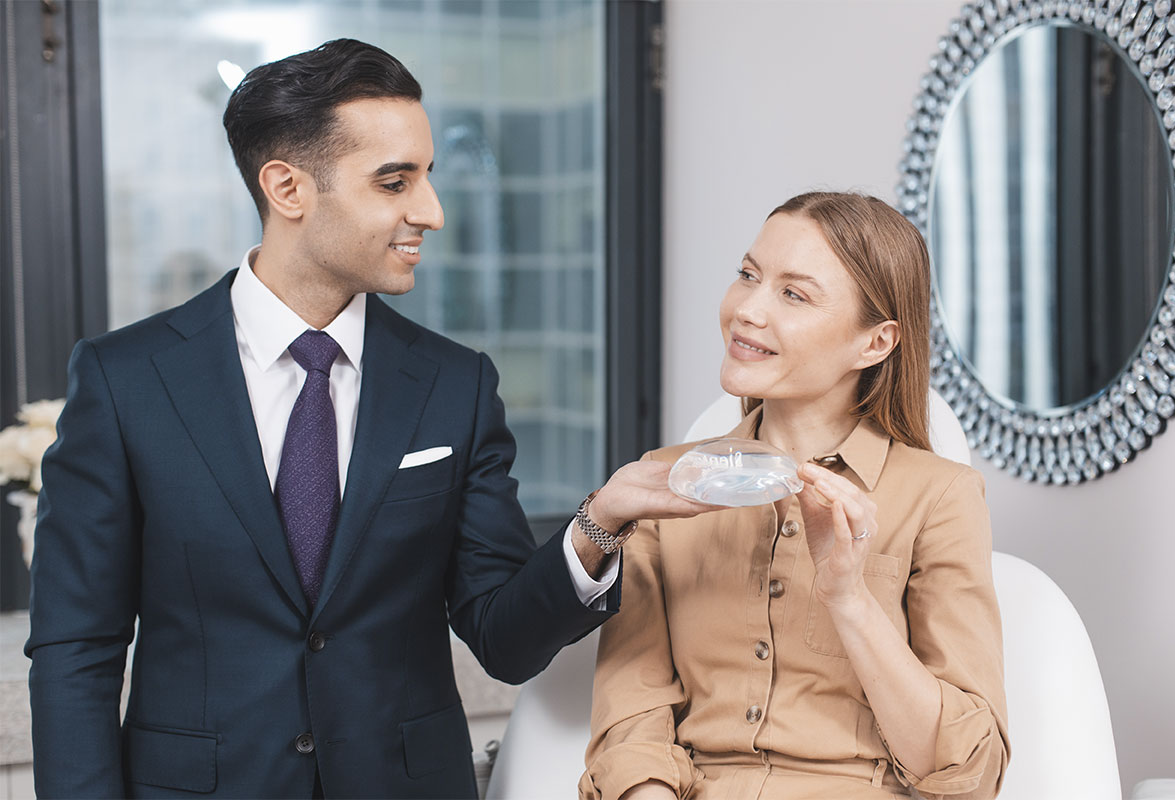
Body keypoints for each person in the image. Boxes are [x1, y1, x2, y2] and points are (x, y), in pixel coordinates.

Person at [26, 39, 707, 799]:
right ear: (287, 187)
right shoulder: (127, 380)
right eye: (394, 181)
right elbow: (74, 651)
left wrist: (599, 521)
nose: (432, 212)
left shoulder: (456, 385)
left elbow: (505, 640)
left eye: (427, 177)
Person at [581, 192, 1009, 800]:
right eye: (748, 275)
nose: (747, 310)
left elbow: (966, 773)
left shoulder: (942, 497)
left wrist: (849, 598)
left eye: (794, 294)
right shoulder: (663, 480)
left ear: (876, 343)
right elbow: (632, 711)